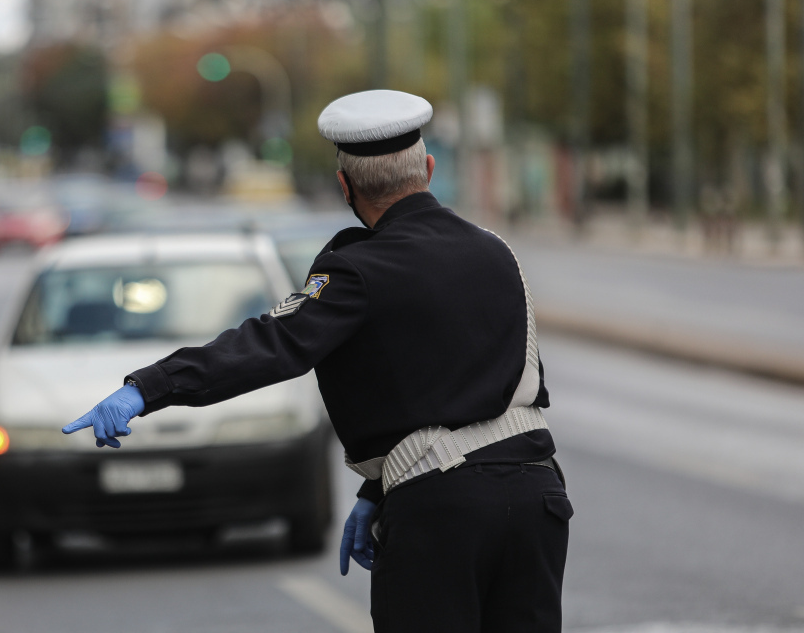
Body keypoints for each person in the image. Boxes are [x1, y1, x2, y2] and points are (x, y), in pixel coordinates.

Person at [62, 89, 572, 632]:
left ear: (344, 185)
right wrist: (380, 487)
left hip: (443, 512)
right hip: (537, 498)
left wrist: (148, 387)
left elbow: (270, 345)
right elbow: (489, 386)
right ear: (427, 167)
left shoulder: (357, 271)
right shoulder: (497, 251)